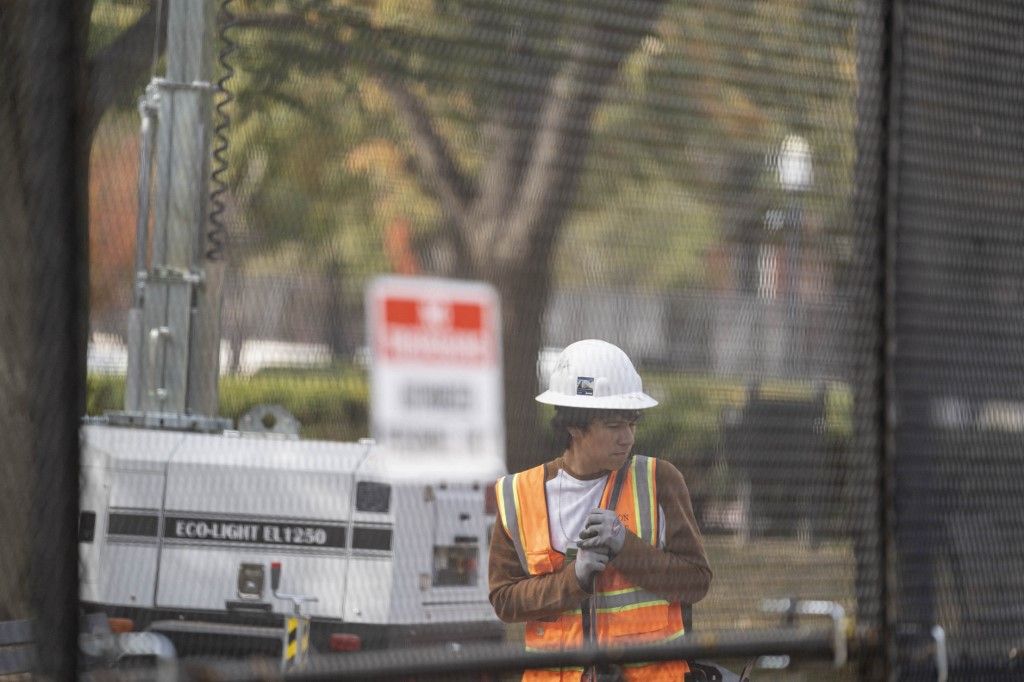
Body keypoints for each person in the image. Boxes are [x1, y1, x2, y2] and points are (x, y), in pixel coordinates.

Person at [489, 339, 713, 681]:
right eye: (613, 426)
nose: (628, 438)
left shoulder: (659, 481)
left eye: (632, 423)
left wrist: (627, 548)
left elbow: (696, 582)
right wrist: (573, 579)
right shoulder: (517, 495)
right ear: (573, 426)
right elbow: (504, 600)